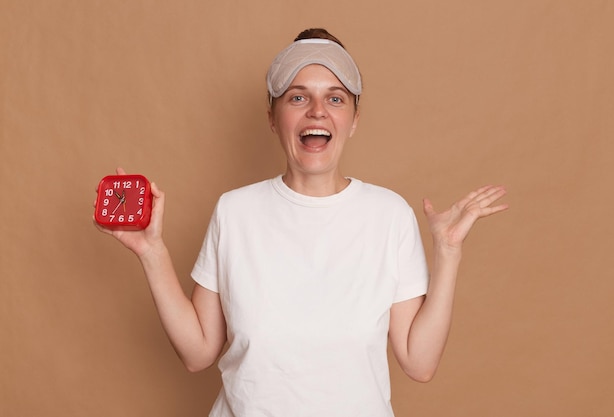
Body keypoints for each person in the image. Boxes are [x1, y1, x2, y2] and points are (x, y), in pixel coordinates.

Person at [95, 28, 508, 417]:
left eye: (335, 98)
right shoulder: (235, 211)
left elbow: (419, 363)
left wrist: (449, 252)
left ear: (354, 119)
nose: (317, 111)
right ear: (273, 118)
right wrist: (152, 252)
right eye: (297, 98)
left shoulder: (389, 215)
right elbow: (198, 351)